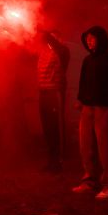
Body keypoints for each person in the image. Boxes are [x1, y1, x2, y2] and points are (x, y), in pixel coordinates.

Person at [73, 25, 108, 200]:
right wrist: (80, 99)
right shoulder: (87, 61)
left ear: (100, 40)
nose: (89, 41)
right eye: (87, 38)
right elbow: (83, 82)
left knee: (106, 147)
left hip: (104, 107)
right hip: (87, 107)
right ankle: (90, 181)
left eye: (93, 38)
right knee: (86, 145)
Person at [35, 29, 71, 172]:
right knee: (47, 129)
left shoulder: (62, 51)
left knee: (56, 128)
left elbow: (57, 45)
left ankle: (59, 162)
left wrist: (47, 35)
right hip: (43, 93)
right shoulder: (42, 51)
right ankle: (52, 160)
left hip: (55, 93)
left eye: (55, 35)